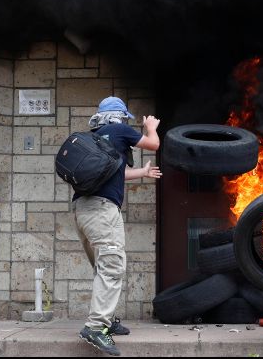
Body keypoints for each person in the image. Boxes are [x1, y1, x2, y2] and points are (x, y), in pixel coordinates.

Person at [75, 96, 161, 356]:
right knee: (112, 266)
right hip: (103, 211)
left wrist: (143, 173)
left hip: (82, 211)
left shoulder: (96, 136)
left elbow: (117, 173)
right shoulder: (120, 130)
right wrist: (151, 128)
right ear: (120, 116)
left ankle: (107, 319)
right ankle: (96, 327)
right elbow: (154, 145)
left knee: (103, 267)